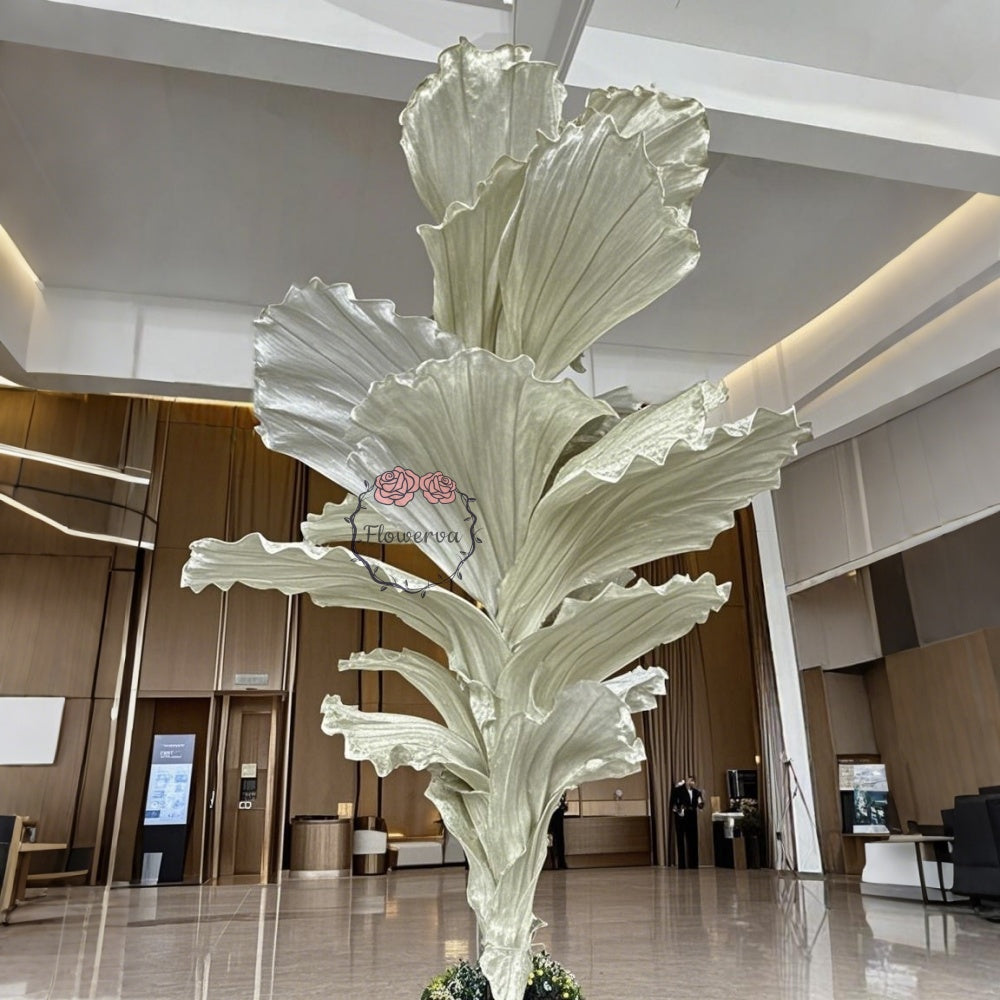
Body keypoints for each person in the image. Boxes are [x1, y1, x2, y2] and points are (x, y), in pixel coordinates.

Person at [669, 775, 705, 869]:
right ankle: (682, 864)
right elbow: (673, 804)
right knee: (680, 840)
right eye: (689, 780)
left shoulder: (697, 792)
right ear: (686, 781)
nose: (691, 782)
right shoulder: (679, 791)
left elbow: (700, 805)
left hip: (692, 817)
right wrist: (678, 811)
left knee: (693, 840)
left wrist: (701, 802)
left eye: (693, 781)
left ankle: (693, 864)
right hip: (681, 817)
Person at [548, 792, 568, 869]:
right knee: (557, 835)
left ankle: (556, 861)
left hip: (553, 805)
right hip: (556, 805)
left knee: (555, 835)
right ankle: (558, 861)